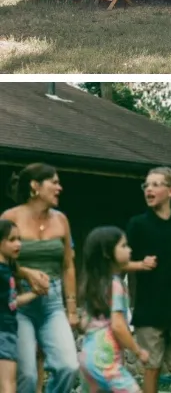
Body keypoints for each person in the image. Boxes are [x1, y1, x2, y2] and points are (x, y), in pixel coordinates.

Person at [1, 164, 80, 393]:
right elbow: (1, 260)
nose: (59, 187)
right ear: (35, 186)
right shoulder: (10, 217)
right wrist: (26, 272)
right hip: (20, 301)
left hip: (52, 302)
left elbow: (68, 266)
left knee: (68, 366)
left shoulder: (61, 220)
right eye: (54, 182)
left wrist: (72, 308)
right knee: (26, 374)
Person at [122, 167, 171, 393]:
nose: (149, 189)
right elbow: (119, 262)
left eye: (156, 185)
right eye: (146, 185)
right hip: (149, 307)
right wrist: (139, 264)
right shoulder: (137, 224)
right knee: (152, 367)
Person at [76, 227, 149, 393]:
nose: (129, 249)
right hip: (105, 361)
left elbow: (84, 322)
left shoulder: (94, 284)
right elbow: (118, 326)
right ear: (107, 254)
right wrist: (138, 351)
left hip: (87, 358)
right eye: (123, 246)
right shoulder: (115, 285)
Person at [0, 220, 38, 393]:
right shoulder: (1, 272)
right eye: (12, 239)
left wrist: (35, 293)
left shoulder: (7, 269)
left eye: (19, 239)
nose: (18, 244)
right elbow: (11, 304)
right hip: (3, 330)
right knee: (8, 384)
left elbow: (11, 301)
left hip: (8, 329)